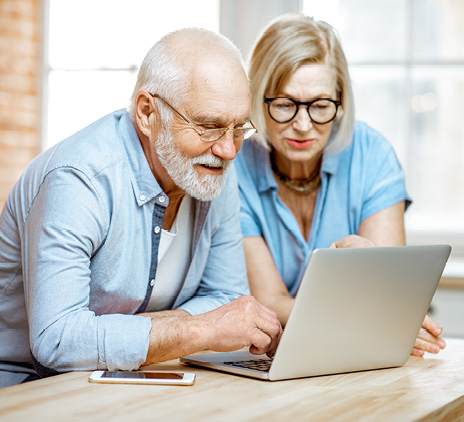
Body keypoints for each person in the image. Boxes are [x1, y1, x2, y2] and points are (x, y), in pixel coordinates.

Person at [0, 28, 282, 388]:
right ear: (147, 113)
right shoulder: (79, 178)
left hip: (138, 379)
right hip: (31, 388)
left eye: (238, 127)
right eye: (209, 126)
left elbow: (226, 298)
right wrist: (198, 328)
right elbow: (58, 338)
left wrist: (154, 336)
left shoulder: (213, 167)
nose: (229, 149)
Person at [235, 13, 445, 357]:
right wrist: (360, 305)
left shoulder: (372, 154)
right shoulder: (237, 168)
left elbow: (386, 294)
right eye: (285, 105)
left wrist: (382, 310)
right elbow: (267, 302)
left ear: (341, 103)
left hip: (354, 353)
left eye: (320, 106)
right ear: (258, 99)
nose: (303, 124)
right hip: (272, 353)